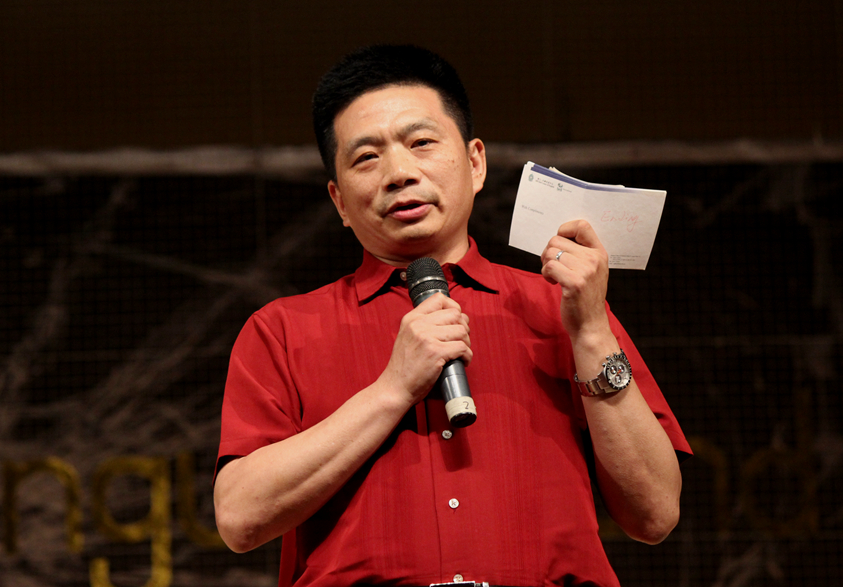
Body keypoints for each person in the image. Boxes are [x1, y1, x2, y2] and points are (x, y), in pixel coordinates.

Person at [213, 44, 690, 587]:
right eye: (366, 157)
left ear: (475, 162)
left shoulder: (561, 306)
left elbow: (655, 514)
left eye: (421, 143)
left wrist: (591, 333)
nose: (399, 173)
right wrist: (392, 389)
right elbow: (240, 519)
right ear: (340, 201)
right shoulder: (282, 330)